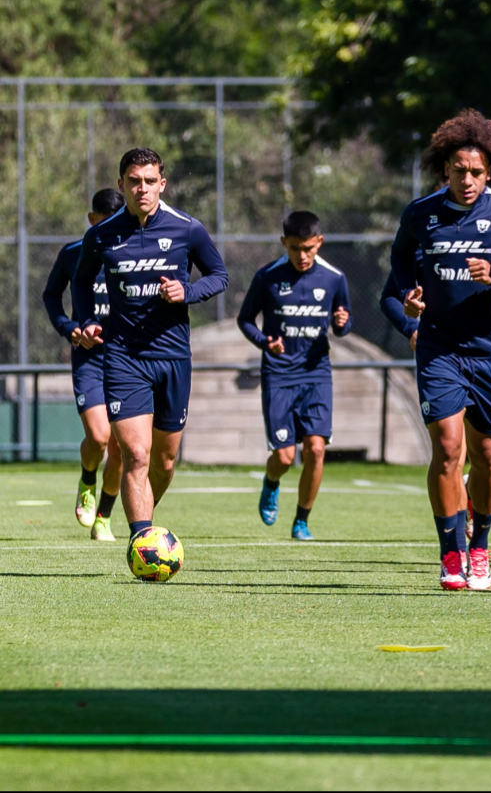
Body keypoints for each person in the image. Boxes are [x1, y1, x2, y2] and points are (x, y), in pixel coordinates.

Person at [391, 109, 491, 591]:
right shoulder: (420, 215)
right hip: (439, 348)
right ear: (443, 168)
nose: (466, 179)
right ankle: (451, 552)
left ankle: (481, 545)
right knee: (448, 448)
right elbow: (393, 288)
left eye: (476, 171)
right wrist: (408, 306)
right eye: (457, 170)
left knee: (490, 457)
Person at [71, 148, 228, 558]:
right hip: (123, 357)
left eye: (149, 181)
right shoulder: (101, 235)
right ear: (121, 184)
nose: (142, 188)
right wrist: (86, 319)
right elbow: (82, 281)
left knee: (165, 460)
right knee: (135, 454)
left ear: (163, 183)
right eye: (133, 181)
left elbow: (219, 275)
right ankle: (143, 542)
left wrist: (187, 292)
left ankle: (145, 517)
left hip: (173, 357)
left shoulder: (187, 229)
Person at [238, 211, 352, 541]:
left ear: (319, 243)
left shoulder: (334, 278)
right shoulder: (267, 276)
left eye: (309, 249)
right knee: (285, 456)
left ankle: (302, 520)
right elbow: (245, 319)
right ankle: (271, 482)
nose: (302, 256)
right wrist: (264, 342)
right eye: (295, 249)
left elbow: (343, 323)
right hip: (278, 374)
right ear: (283, 243)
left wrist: (343, 324)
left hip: (317, 373)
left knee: (316, 449)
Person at [42, 188, 126, 540]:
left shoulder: (135, 254)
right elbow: (51, 295)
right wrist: (70, 328)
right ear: (92, 220)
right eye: (102, 221)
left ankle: (104, 517)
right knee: (99, 435)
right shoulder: (74, 254)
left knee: (122, 446)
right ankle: (87, 480)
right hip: (89, 359)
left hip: (126, 358)